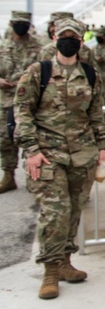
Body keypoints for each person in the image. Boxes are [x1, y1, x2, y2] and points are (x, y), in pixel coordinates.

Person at [14, 18, 105, 299]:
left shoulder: (90, 74)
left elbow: (96, 114)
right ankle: (49, 271)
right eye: (64, 36)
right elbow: (22, 111)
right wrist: (32, 151)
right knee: (54, 212)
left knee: (72, 211)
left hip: (82, 156)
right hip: (48, 156)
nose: (68, 40)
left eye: (74, 37)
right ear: (55, 39)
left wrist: (102, 147)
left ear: (81, 42)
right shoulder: (39, 72)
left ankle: (65, 262)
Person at [0, 11, 43, 193]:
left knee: (29, 137)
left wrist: (24, 82)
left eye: (24, 23)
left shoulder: (37, 46)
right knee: (4, 140)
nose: (20, 26)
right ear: (11, 24)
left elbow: (43, 71)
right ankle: (9, 176)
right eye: (17, 23)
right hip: (5, 100)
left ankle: (32, 177)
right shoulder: (4, 46)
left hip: (28, 100)